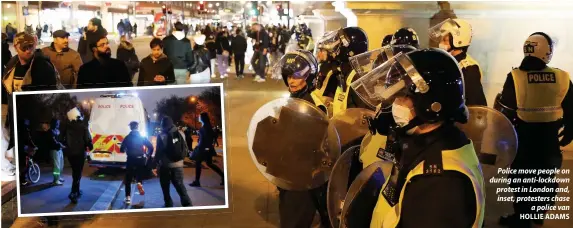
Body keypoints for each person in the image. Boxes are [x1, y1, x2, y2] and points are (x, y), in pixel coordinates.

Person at [353, 48, 485, 227]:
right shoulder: (426, 145)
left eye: (401, 97)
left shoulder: (440, 181)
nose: (395, 105)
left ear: (431, 104)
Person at [497, 32, 573, 228]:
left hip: (523, 139)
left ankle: (522, 218)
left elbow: (504, 112)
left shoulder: (515, 77)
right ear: (546, 52)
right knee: (546, 178)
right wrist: (570, 130)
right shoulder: (561, 77)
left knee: (521, 179)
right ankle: (537, 216)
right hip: (549, 139)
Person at [267, 50, 331, 228]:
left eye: (296, 76)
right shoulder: (295, 98)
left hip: (302, 177)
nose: (291, 81)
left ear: (309, 77)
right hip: (289, 172)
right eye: (288, 76)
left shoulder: (313, 104)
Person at [314, 27, 371, 118]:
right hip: (340, 129)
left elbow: (365, 117)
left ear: (349, 50)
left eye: (339, 43)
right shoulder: (344, 72)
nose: (334, 49)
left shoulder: (358, 77)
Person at [430, 18, 487, 106]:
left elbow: (476, 106)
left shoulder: (468, 68)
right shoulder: (445, 62)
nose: (440, 43)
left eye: (445, 40)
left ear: (458, 41)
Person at [153, 116, 193, 207]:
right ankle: (187, 203)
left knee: (165, 186)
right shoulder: (181, 133)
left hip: (165, 166)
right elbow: (185, 147)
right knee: (180, 185)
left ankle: (168, 203)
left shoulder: (161, 136)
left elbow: (159, 152)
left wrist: (154, 164)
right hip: (178, 165)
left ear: (162, 125)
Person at [62, 108, 93, 203]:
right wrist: (90, 146)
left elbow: (61, 139)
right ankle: (73, 193)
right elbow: (88, 139)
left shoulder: (66, 126)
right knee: (77, 173)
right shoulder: (83, 126)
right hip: (80, 153)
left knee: (75, 172)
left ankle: (77, 191)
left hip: (70, 153)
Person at [120, 121, 154, 205]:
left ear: (130, 128)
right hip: (140, 159)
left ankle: (128, 197)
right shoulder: (141, 137)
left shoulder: (127, 137)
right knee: (139, 174)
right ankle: (139, 183)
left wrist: (125, 149)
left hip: (131, 159)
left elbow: (121, 149)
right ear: (137, 127)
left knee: (128, 179)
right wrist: (147, 154)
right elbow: (151, 147)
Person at [189, 113, 224, 187]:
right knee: (209, 163)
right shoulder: (206, 126)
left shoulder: (205, 127)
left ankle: (197, 181)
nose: (198, 118)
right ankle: (223, 176)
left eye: (200, 117)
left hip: (204, 148)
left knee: (198, 163)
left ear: (202, 118)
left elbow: (207, 139)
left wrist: (204, 148)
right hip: (205, 148)